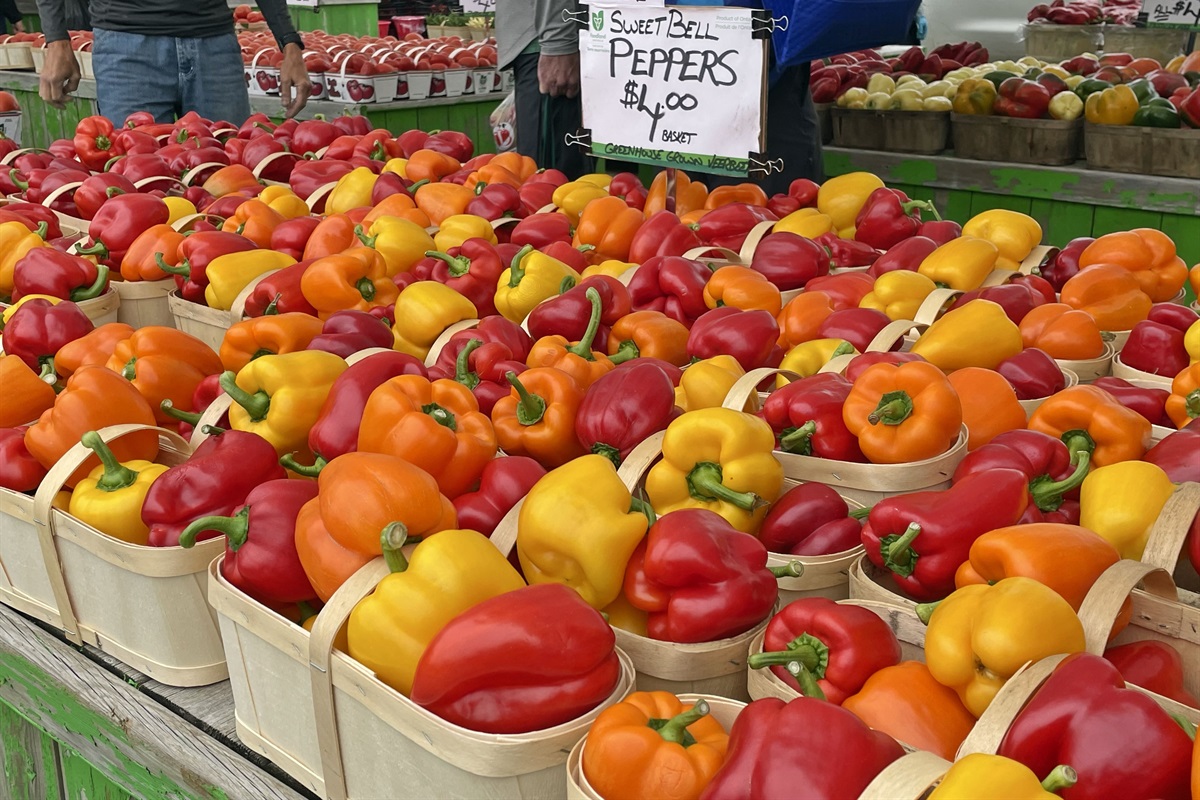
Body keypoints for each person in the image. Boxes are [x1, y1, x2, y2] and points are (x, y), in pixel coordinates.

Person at [36, 0, 311, 125]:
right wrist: (57, 40)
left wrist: (289, 42)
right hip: (127, 47)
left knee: (230, 178)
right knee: (139, 184)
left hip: (213, 44)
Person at [495, 0, 587, 177]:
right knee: (551, 182)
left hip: (554, 33)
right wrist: (557, 40)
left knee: (561, 183)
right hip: (551, 37)